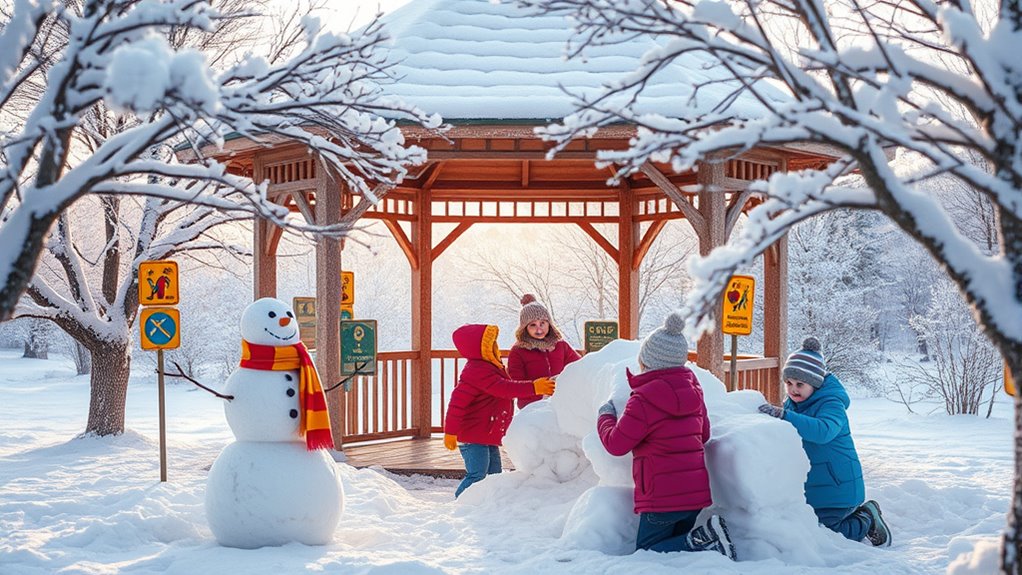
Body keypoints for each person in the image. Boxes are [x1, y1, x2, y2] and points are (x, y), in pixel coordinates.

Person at [596, 311, 736, 560]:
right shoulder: (694, 389)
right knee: (674, 558)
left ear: (647, 361)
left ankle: (704, 539)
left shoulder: (643, 399)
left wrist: (605, 416)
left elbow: (616, 444)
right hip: (694, 495)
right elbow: (703, 435)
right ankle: (703, 539)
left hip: (660, 499)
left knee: (647, 555)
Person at [758, 337, 892, 547]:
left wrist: (784, 416)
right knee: (807, 525)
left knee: (828, 533)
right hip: (818, 487)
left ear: (815, 383)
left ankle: (866, 518)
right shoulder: (793, 404)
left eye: (800, 384)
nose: (793, 390)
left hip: (839, 484)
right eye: (789, 383)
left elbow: (823, 431)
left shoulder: (831, 404)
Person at [443, 323, 556, 498]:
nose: (496, 347)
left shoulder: (492, 367)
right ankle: (461, 503)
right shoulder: (477, 371)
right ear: (480, 350)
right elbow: (502, 388)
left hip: (486, 434)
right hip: (473, 437)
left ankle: (490, 505)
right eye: (491, 344)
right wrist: (533, 387)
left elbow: (506, 386)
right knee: (477, 474)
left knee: (494, 475)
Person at [508, 294, 581, 410]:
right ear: (525, 328)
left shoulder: (561, 346)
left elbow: (579, 367)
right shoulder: (518, 351)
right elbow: (515, 385)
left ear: (549, 324)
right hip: (531, 408)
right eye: (533, 325)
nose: (539, 329)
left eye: (542, 323)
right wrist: (536, 388)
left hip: (560, 404)